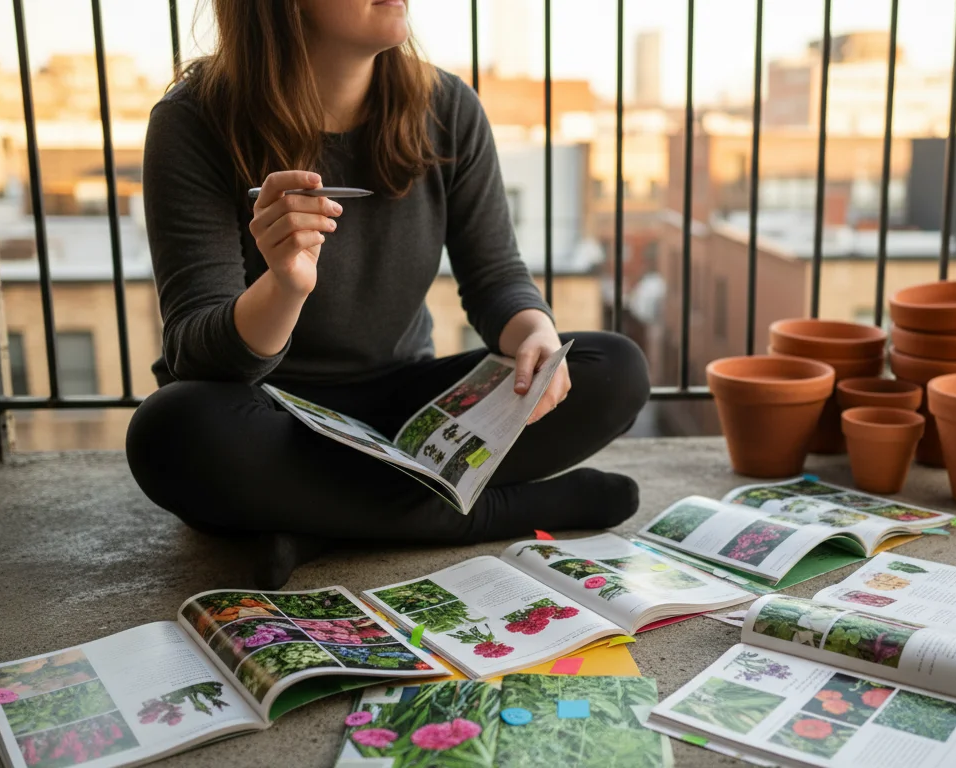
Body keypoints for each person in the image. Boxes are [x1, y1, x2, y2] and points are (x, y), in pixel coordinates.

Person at [126, 0, 649, 589]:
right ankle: (502, 511)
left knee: (615, 368)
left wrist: (535, 334)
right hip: (267, 412)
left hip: (409, 411)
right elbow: (196, 348)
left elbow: (495, 276)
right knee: (169, 431)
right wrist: (286, 285)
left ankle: (320, 522)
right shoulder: (193, 120)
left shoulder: (448, 107)